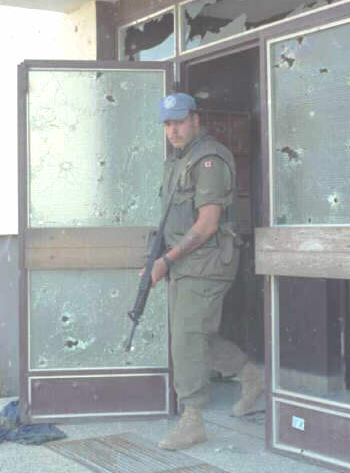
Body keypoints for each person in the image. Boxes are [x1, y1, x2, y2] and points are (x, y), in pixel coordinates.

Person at [150, 93, 264, 451]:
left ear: (196, 119)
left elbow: (208, 223)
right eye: (168, 124)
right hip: (185, 262)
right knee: (197, 334)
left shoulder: (209, 158)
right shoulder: (178, 161)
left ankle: (192, 420)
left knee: (187, 336)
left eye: (179, 121)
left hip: (206, 262)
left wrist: (166, 260)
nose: (173, 130)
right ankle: (252, 376)